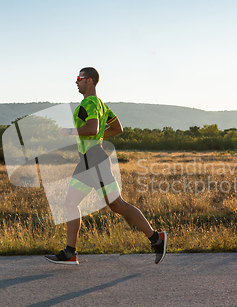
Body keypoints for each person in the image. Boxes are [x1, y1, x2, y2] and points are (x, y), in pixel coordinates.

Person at [45, 67, 167, 265]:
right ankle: (70, 252)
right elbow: (117, 128)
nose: (76, 82)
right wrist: (98, 135)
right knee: (70, 203)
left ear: (89, 81)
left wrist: (69, 131)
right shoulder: (101, 105)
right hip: (86, 160)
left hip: (95, 159)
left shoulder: (90, 103)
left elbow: (92, 128)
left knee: (117, 204)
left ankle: (156, 238)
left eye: (79, 78)